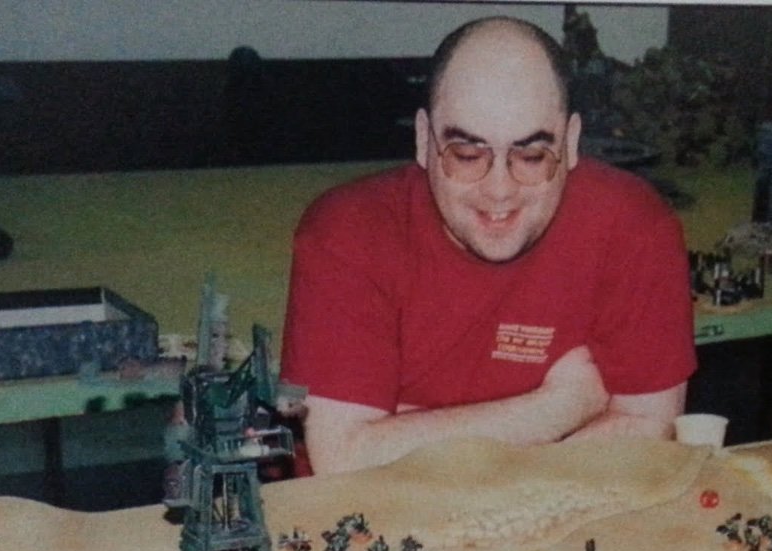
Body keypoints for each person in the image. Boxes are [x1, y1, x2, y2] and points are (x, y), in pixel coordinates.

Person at [280, 16, 697, 474]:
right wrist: (557, 408)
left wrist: (406, 434)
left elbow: (647, 426)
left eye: (532, 155)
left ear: (572, 142)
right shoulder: (348, 233)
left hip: (551, 510)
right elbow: (344, 459)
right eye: (467, 154)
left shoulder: (634, 227)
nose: (499, 190)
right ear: (423, 139)